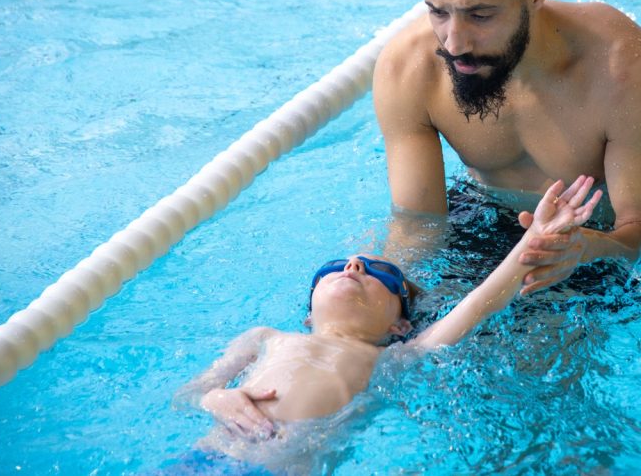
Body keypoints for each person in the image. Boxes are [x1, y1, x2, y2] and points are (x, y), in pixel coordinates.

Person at [170, 176, 602, 472]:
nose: (354, 265)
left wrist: (534, 238)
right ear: (308, 315)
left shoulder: (394, 359)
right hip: (200, 460)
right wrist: (215, 399)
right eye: (335, 266)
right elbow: (187, 395)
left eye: (382, 273)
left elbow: (479, 303)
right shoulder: (264, 337)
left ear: (399, 325)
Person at [373, 0, 641, 292]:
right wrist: (385, 300)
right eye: (438, 12)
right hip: (482, 218)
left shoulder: (622, 69)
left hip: (595, 244)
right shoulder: (409, 69)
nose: (454, 43)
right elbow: (418, 228)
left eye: (480, 15)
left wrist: (585, 249)